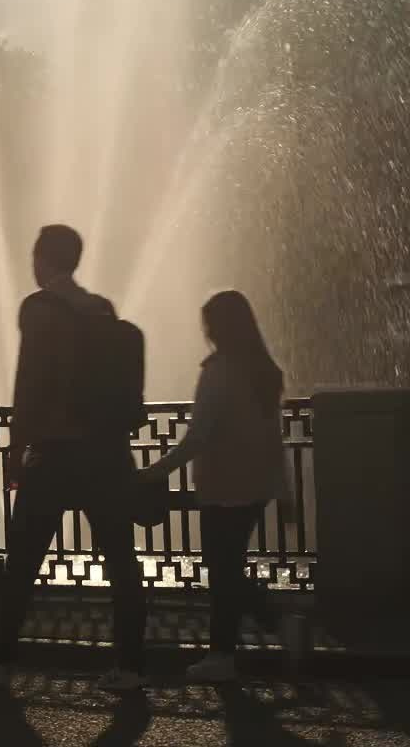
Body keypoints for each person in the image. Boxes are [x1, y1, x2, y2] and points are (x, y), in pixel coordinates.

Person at [0, 224, 147, 691]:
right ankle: (131, 667)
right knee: (122, 562)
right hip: (107, 453)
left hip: (56, 453)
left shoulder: (39, 309)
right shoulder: (102, 309)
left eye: (34, 256)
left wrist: (16, 450)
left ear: (43, 258)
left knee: (21, 562)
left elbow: (30, 383)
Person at [138, 289, 303, 682]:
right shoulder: (262, 372)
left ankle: (235, 647)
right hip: (255, 488)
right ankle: (251, 638)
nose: (206, 332)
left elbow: (197, 438)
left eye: (208, 324)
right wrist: (284, 493)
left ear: (219, 328)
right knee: (227, 569)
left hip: (223, 487)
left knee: (222, 571)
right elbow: (273, 441)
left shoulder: (218, 372)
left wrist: (154, 472)